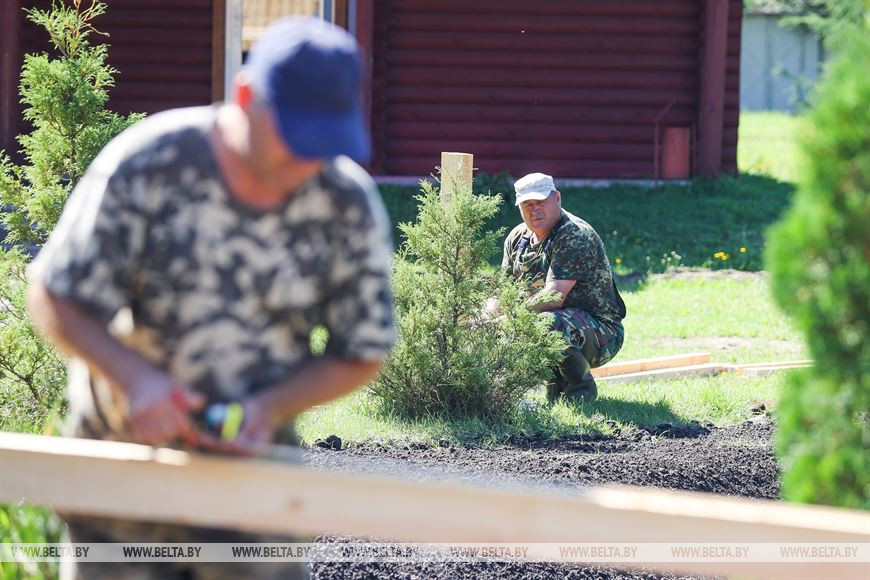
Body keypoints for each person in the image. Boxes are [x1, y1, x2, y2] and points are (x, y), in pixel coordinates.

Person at [26, 17, 394, 580]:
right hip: (122, 479)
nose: (308, 162)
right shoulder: (149, 163)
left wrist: (267, 408)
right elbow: (55, 297)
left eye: (326, 144)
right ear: (245, 97)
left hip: (252, 488)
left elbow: (361, 351)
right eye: (296, 140)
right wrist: (135, 381)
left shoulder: (345, 202)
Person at [490, 172, 626, 404]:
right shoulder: (516, 238)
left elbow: (554, 297)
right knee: (506, 325)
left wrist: (510, 317)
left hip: (601, 331)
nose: (535, 210)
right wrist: (484, 319)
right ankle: (546, 394)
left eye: (540, 202)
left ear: (558, 199)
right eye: (527, 204)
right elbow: (504, 292)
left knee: (547, 323)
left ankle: (580, 392)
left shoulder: (574, 234)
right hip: (560, 321)